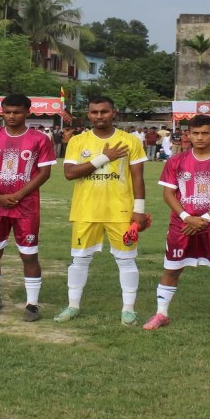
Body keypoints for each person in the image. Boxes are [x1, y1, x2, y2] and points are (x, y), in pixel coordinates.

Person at [143, 114, 210, 335]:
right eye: (195, 133)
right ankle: (161, 313)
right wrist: (186, 217)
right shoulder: (175, 161)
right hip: (181, 225)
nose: (200, 137)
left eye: (205, 133)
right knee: (172, 268)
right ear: (188, 134)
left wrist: (206, 218)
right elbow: (168, 193)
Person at [57, 96, 149, 325]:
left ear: (113, 113)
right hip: (86, 210)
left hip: (121, 211)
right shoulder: (78, 141)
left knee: (126, 261)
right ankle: (73, 306)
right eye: (95, 112)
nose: (99, 116)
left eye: (104, 112)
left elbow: (138, 177)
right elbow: (70, 173)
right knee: (79, 260)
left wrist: (139, 210)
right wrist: (104, 158)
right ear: (88, 115)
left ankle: (128, 309)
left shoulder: (130, 141)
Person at [0, 95, 57, 321]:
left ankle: (32, 305)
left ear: (27, 112)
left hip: (26, 207)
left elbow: (45, 173)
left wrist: (19, 194)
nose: (11, 116)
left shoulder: (39, 139)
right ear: (1, 112)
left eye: (17, 112)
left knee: (28, 255)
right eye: (7, 112)